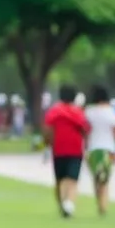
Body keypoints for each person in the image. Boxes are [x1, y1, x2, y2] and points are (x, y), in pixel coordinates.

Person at [44, 85, 90, 217]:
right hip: (75, 149)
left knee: (60, 179)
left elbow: (48, 129)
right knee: (72, 179)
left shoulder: (53, 111)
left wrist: (47, 143)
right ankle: (69, 203)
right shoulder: (78, 112)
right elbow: (85, 130)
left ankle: (63, 204)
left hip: (58, 149)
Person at [84, 85, 115, 217]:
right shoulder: (112, 112)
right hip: (109, 149)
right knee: (105, 179)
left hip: (93, 149)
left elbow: (85, 131)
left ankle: (99, 202)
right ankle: (103, 206)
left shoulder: (88, 111)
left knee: (96, 178)